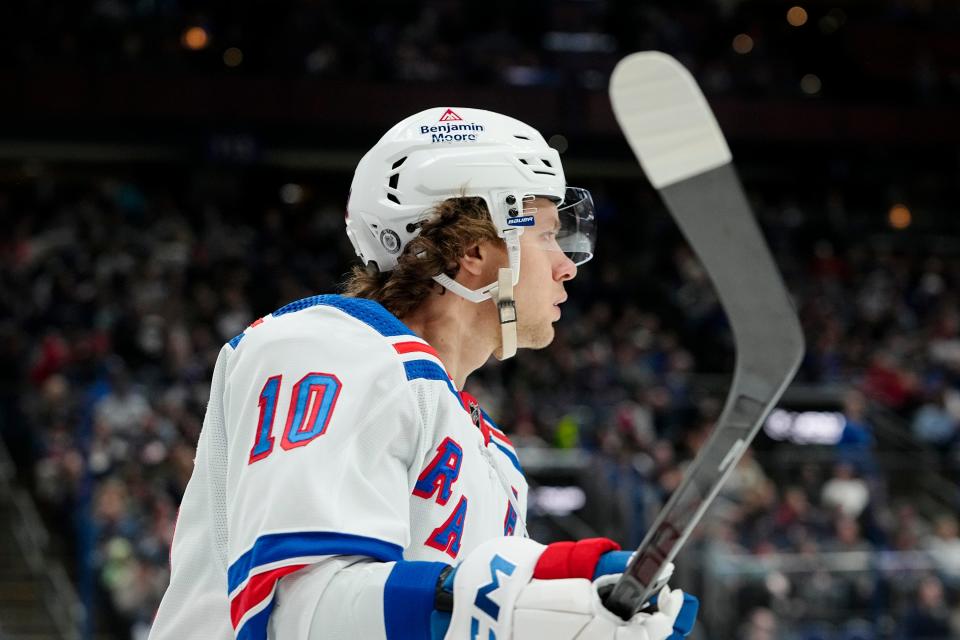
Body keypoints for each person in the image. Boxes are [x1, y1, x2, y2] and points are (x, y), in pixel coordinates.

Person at [148, 107, 698, 640]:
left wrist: (584, 604)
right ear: (477, 251)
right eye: (547, 234)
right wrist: (510, 605)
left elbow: (461, 609)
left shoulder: (494, 456)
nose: (567, 264)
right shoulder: (327, 346)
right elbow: (297, 613)